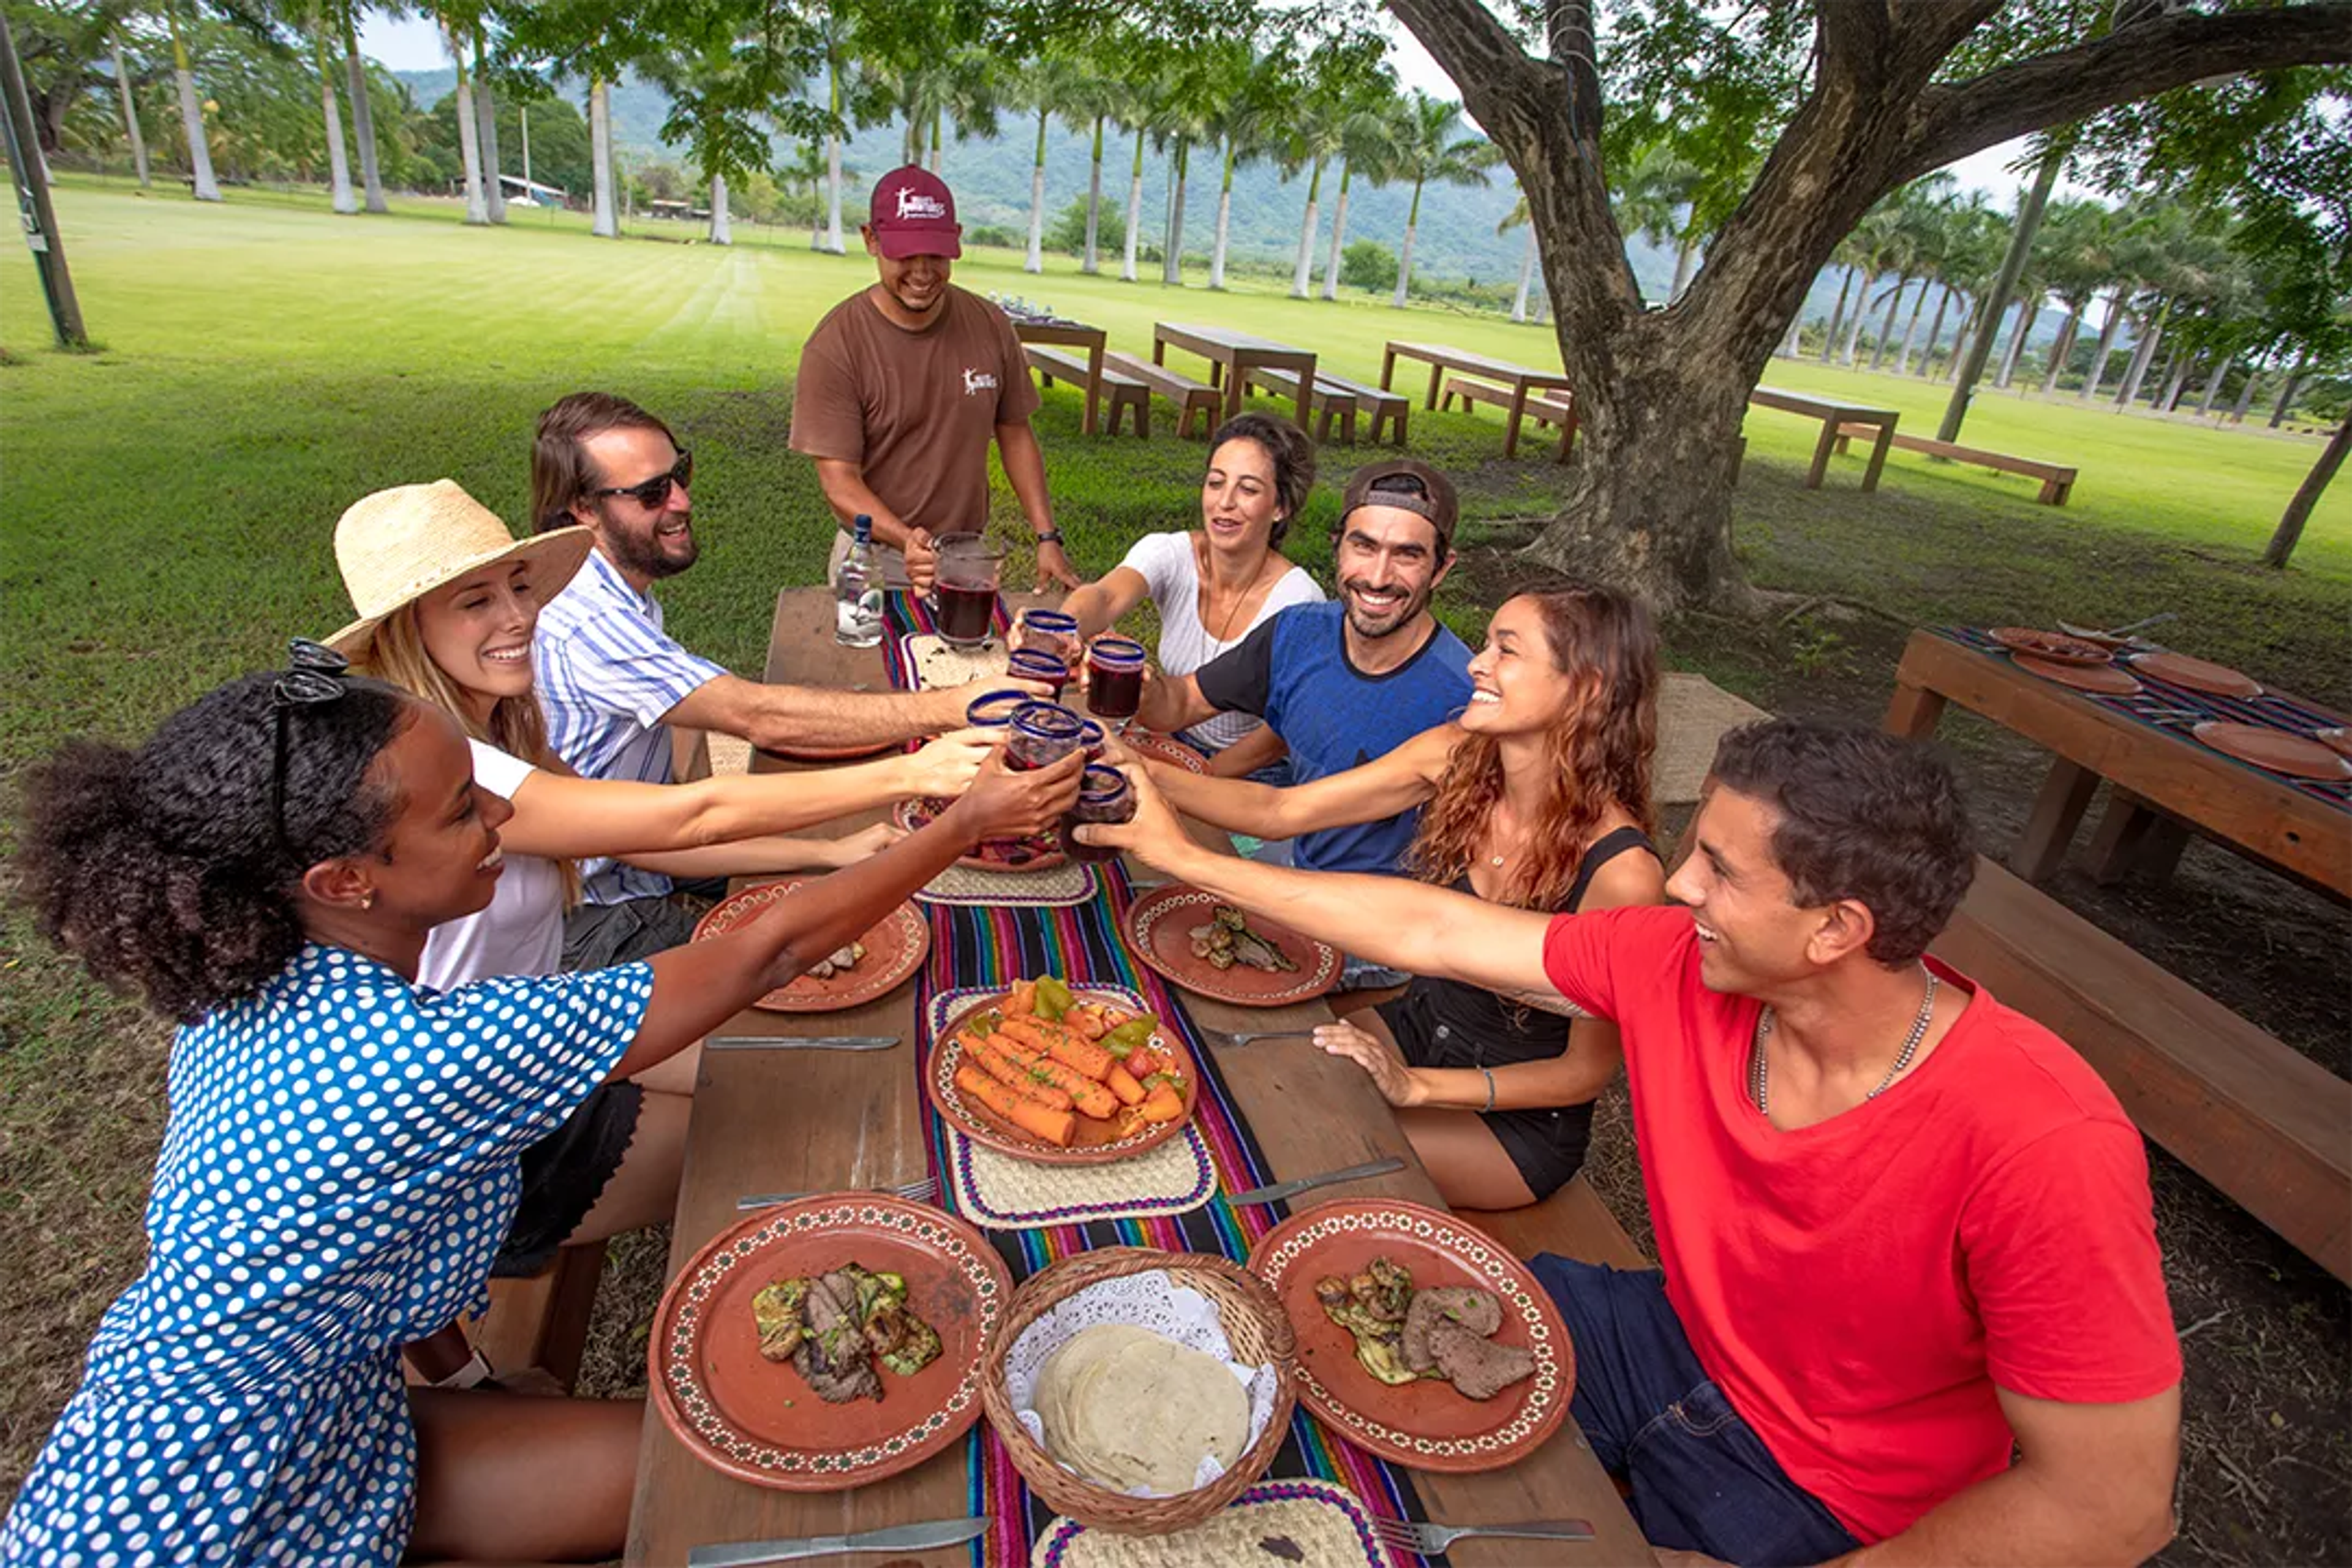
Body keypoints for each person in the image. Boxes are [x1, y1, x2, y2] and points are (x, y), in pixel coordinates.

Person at [1, 646, 1076, 1567]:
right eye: (464, 810)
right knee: (754, 1493)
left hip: (332, 1412)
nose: (507, 816)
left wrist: (464, 1379)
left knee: (711, 1474)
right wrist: (964, 822)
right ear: (343, 881)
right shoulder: (406, 1056)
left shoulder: (252, 994)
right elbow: (774, 950)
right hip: (218, 1521)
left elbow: (355, 1259)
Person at [1081, 718, 2182, 1568]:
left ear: (1837, 929)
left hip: (1830, 1493)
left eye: (1721, 869)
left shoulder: (2043, 1138)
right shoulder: (1679, 962)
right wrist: (1187, 857)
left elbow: (2113, 1509)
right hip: (1667, 1341)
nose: (1681, 884)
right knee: (1319, 1342)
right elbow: (1435, 929)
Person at [328, 478, 992, 1284]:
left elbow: (646, 834)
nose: (518, 616)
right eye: (476, 602)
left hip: (531, 1054)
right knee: (808, 1121)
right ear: (408, 631)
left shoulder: (479, 728)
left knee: (805, 1063)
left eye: (518, 586)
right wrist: (911, 772)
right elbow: (693, 817)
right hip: (484, 1136)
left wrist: (830, 853)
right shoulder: (456, 770)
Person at [1139, 584, 1665, 1208]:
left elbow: (1583, 1073)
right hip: (1412, 1027)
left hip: (1506, 1118)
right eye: (1486, 644)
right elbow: (1281, 808)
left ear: (1588, 687)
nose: (1477, 662)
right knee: (1247, 1087)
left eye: (1508, 650)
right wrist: (1134, 769)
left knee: (1308, 1146)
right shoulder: (1458, 759)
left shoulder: (1623, 872)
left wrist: (1416, 1087)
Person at [529, 391, 1041, 967]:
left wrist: (826, 851)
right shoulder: (588, 619)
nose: (681, 500)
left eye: (680, 473)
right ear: (582, 509)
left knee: (858, 892)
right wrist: (948, 715)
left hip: (642, 859)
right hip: (586, 918)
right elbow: (757, 719)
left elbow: (650, 828)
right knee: (850, 945)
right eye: (651, 492)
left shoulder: (612, 589)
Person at [1128, 458, 1472, 988]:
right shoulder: (1298, 633)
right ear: (1337, 546)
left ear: (1442, 568)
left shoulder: (1464, 696)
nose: (1378, 577)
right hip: (1294, 867)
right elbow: (1176, 706)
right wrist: (1136, 680)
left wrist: (1144, 774)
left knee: (1182, 985)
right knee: (1135, 903)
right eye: (1364, 546)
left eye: (1407, 555)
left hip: (1377, 939)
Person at [789, 164, 1078, 595]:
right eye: (906, 254)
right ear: (871, 239)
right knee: (871, 664)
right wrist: (906, 539)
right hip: (875, 560)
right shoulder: (837, 345)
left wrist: (1047, 537)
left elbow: (1015, 433)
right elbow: (839, 483)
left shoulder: (989, 324)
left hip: (966, 555)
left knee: (969, 660)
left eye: (937, 255)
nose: (923, 272)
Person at [1057, 412, 1324, 778]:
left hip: (1253, 768)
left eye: (1248, 489)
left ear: (1281, 507)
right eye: (1216, 483)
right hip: (1171, 734)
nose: (1224, 502)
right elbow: (1104, 596)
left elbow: (1278, 736)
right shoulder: (1170, 553)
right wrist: (1064, 630)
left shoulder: (1300, 602)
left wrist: (1200, 778)